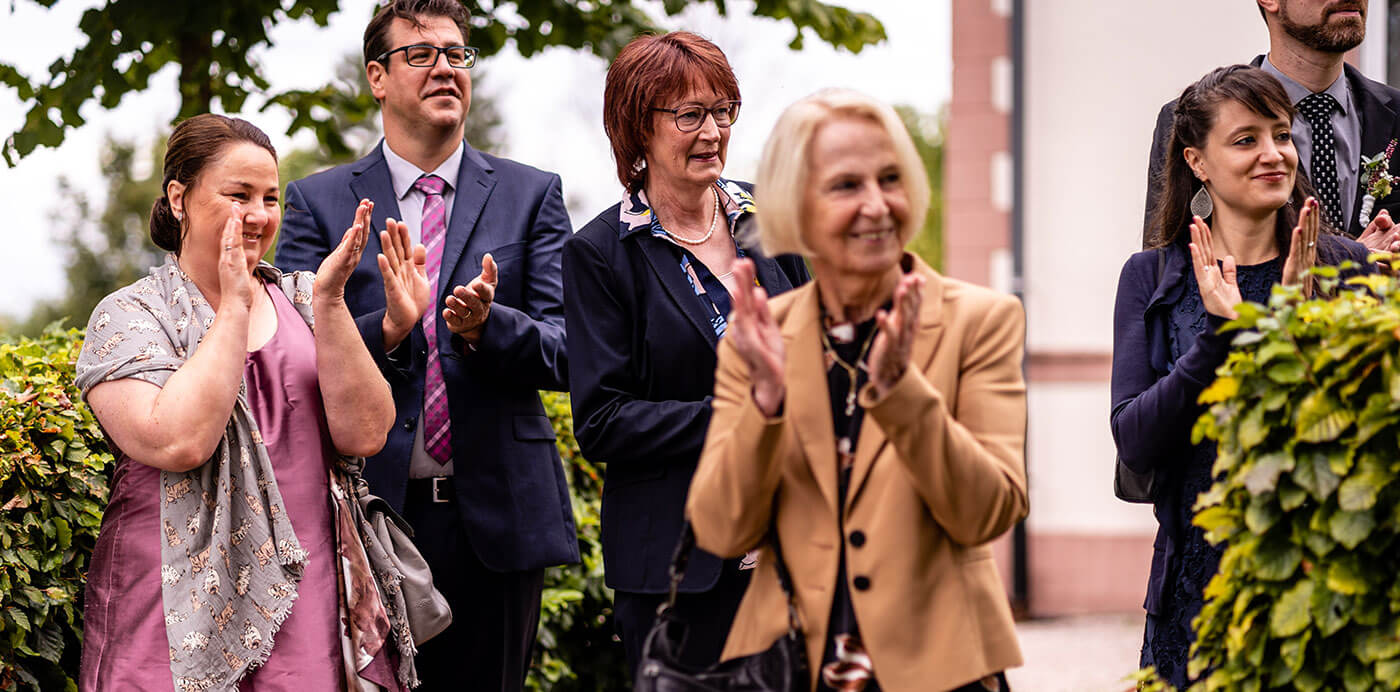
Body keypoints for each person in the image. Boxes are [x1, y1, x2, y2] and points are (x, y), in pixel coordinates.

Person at [274, 1, 578, 688]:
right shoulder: (317, 204)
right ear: (378, 77)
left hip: (497, 525)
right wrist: (386, 330)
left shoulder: (533, 196)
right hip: (365, 517)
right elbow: (289, 365)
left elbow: (567, 352)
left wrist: (485, 328)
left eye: (456, 53)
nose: (445, 67)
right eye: (422, 54)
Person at [685, 88, 1026, 692]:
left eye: (890, 178)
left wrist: (903, 395)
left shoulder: (981, 320)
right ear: (798, 207)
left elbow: (989, 511)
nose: (877, 206)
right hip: (792, 668)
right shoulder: (763, 336)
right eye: (846, 186)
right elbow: (721, 529)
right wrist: (764, 405)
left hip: (943, 668)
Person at [75, 113, 417, 690]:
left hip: (305, 598)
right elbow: (177, 441)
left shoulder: (305, 301)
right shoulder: (131, 315)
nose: (259, 216)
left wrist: (332, 302)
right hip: (171, 607)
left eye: (270, 198)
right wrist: (232, 306)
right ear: (179, 197)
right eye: (239, 195)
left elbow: (366, 434)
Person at [562, 31, 809, 678]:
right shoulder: (600, 253)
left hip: (795, 548)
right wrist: (737, 411)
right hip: (678, 565)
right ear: (637, 127)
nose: (712, 132)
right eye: (689, 115)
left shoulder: (769, 217)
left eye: (722, 110)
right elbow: (601, 422)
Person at [1114, 66, 1370, 688]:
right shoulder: (1152, 277)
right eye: (1246, 139)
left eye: (1281, 135)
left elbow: (1363, 437)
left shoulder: (1349, 269)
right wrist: (1221, 337)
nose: (1273, 154)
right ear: (1198, 163)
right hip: (1194, 592)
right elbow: (1136, 439)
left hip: (1324, 587)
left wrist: (1290, 323)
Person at [1143, 0, 1400, 248]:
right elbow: (1166, 275)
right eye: (1246, 140)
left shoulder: (1395, 114)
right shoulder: (1194, 120)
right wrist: (1353, 265)